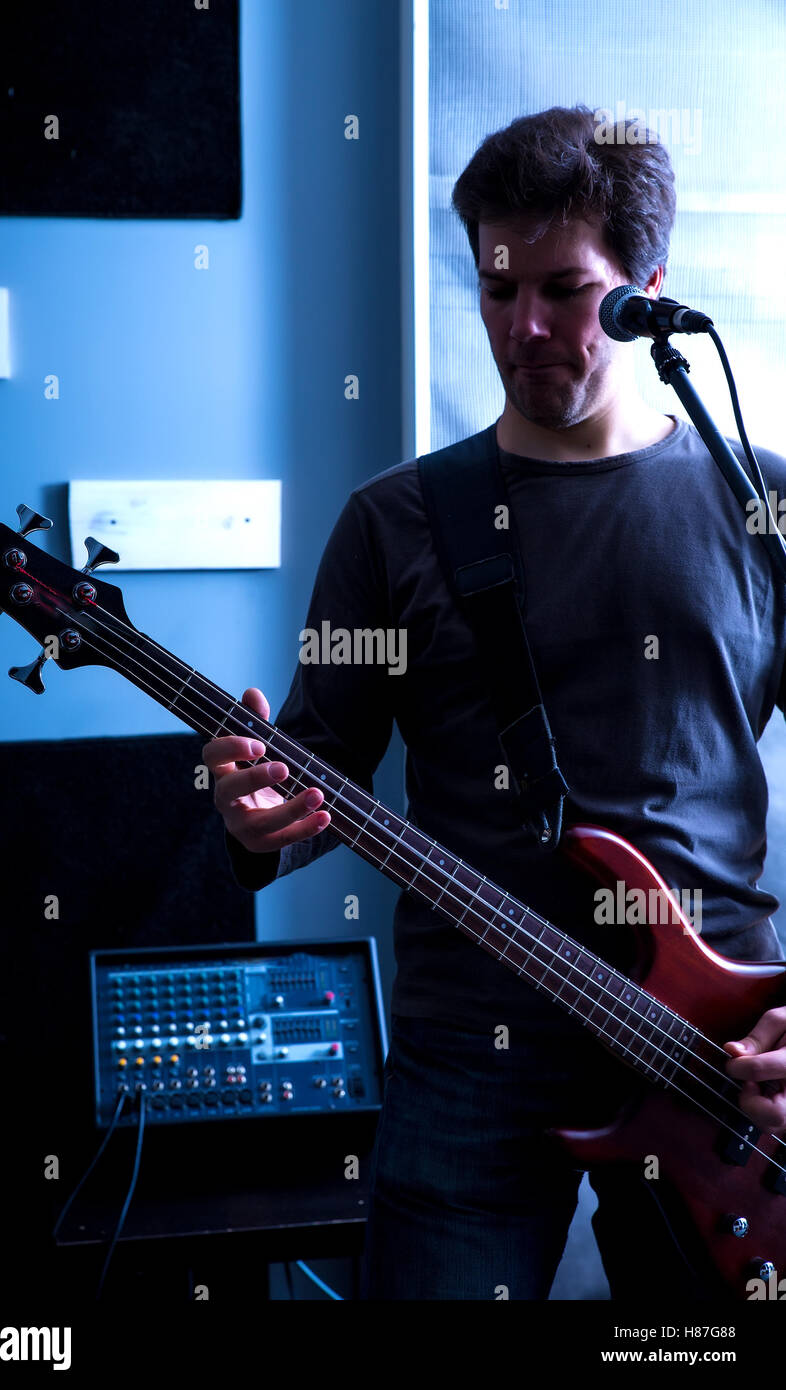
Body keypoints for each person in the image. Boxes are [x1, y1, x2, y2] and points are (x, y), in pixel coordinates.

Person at [203, 106, 786, 1300]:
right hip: (471, 1051)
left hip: (716, 1053)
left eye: (565, 291)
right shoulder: (395, 522)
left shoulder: (757, 504)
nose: (522, 329)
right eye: (496, 288)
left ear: (646, 288)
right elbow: (305, 767)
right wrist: (246, 809)